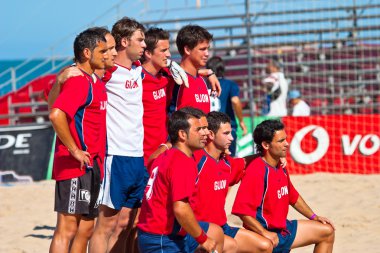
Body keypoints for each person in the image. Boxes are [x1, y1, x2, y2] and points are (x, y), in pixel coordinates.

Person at [232, 120, 335, 253]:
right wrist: (264, 233)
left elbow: (293, 196)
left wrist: (314, 217)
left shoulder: (280, 164)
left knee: (327, 231)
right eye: (281, 141)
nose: (286, 144)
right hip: (264, 237)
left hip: (284, 230)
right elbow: (243, 211)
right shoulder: (256, 171)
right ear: (266, 145)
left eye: (285, 139)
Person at [48, 28, 108, 253]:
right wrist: (74, 149)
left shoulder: (94, 79)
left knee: (86, 228)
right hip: (76, 165)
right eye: (102, 51)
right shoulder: (78, 80)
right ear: (86, 52)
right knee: (67, 229)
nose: (106, 55)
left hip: (93, 163)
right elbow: (55, 113)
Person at [137, 107, 224, 253]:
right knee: (209, 240)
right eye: (199, 129)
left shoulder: (169, 154)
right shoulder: (182, 162)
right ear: (182, 134)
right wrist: (203, 239)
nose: (206, 133)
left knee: (216, 232)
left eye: (206, 128)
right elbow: (181, 209)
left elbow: (151, 159)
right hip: (161, 239)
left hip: (161, 232)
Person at [189, 111, 273, 253]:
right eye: (226, 133)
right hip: (200, 230)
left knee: (265, 246)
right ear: (210, 134)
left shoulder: (227, 164)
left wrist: (270, 154)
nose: (232, 138)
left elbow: (244, 162)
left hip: (223, 227)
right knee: (230, 246)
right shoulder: (195, 160)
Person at [169, 24, 216, 114]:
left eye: (207, 49)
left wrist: (209, 72)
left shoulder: (202, 80)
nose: (207, 54)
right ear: (187, 50)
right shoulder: (175, 79)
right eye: (202, 49)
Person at [206, 56, 248, 156]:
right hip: (226, 128)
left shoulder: (203, 84)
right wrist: (241, 121)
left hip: (209, 129)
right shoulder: (230, 84)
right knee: (229, 160)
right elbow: (235, 100)